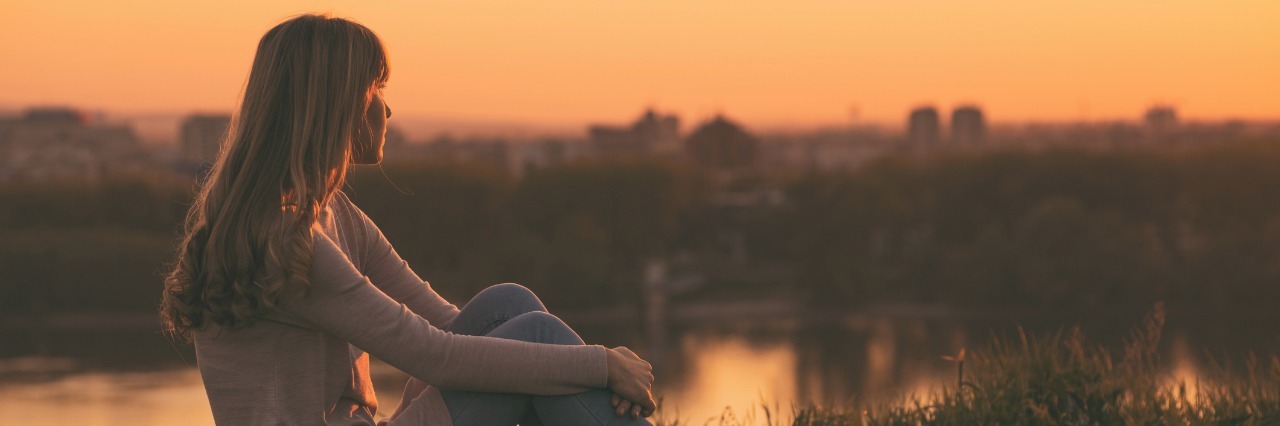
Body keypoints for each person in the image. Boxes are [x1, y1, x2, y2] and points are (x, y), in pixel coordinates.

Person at [159, 13, 656, 426]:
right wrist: (602, 364)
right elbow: (433, 355)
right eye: (376, 88)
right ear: (337, 104)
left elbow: (447, 328)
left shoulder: (335, 216)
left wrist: (587, 369)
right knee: (537, 336)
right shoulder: (285, 241)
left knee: (511, 305)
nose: (388, 107)